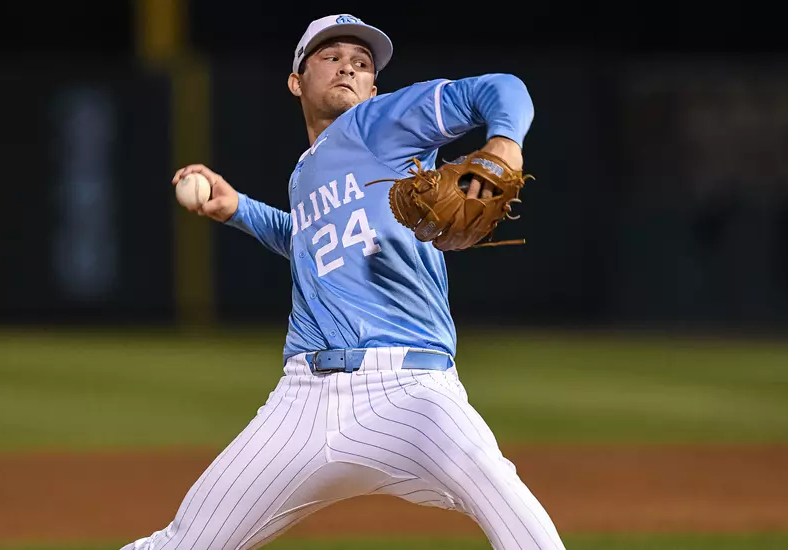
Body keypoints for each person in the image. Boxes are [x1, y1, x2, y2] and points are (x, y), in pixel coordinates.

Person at [124, 14, 566, 550]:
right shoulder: (305, 171)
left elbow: (503, 90)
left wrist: (505, 145)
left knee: (502, 494)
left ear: (373, 88)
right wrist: (238, 209)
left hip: (408, 389)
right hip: (300, 400)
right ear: (296, 82)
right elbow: (309, 242)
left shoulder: (379, 122)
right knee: (183, 542)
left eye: (361, 64)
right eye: (330, 57)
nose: (348, 68)